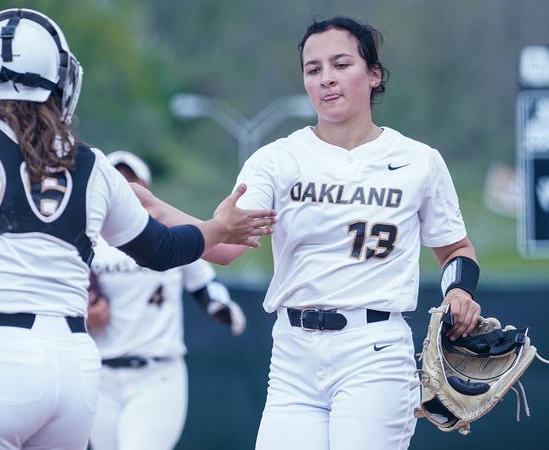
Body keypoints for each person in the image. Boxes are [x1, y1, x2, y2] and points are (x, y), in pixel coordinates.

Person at [0, 8, 275, 450]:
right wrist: (215, 229)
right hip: (74, 371)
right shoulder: (93, 164)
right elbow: (161, 249)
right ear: (60, 79)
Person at [133, 16, 482, 450]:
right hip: (294, 355)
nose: (326, 79)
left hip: (373, 349)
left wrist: (459, 292)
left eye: (340, 64)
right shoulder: (278, 160)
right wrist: (156, 208)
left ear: (374, 74)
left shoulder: (417, 161)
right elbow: (223, 245)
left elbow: (456, 250)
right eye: (313, 69)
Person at [86, 151, 246, 450]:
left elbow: (204, 282)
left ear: (145, 187)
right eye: (117, 179)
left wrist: (221, 307)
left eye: (131, 180)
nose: (124, 186)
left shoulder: (164, 236)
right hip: (101, 372)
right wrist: (86, 314)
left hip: (156, 372)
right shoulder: (89, 239)